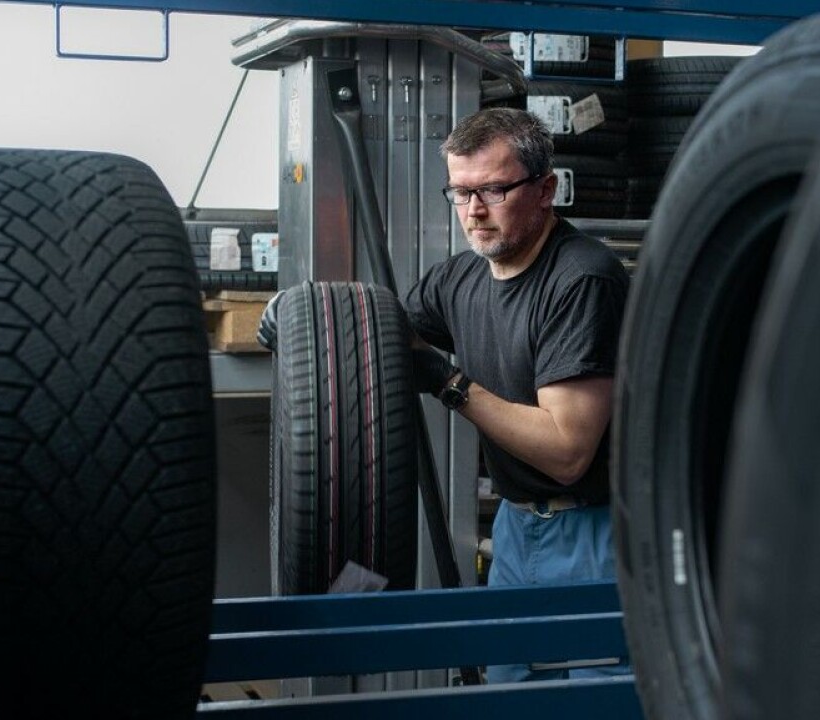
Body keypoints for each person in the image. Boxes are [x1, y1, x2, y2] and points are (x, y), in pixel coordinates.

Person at [259, 107, 629, 683]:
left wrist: (445, 379)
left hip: (594, 536)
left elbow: (565, 451)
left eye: (494, 190)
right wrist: (295, 316)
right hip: (516, 531)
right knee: (506, 697)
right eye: (460, 193)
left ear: (546, 190)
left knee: (589, 702)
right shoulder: (459, 280)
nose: (474, 212)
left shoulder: (582, 279)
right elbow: (371, 339)